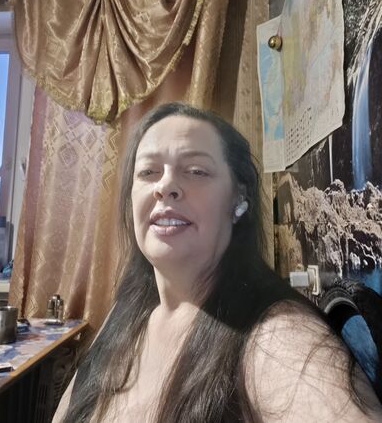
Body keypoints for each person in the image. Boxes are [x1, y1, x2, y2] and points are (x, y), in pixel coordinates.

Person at [54, 102, 382, 422]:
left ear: (239, 198)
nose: (165, 186)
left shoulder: (276, 337)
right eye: (148, 172)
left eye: (196, 171)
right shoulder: (124, 312)